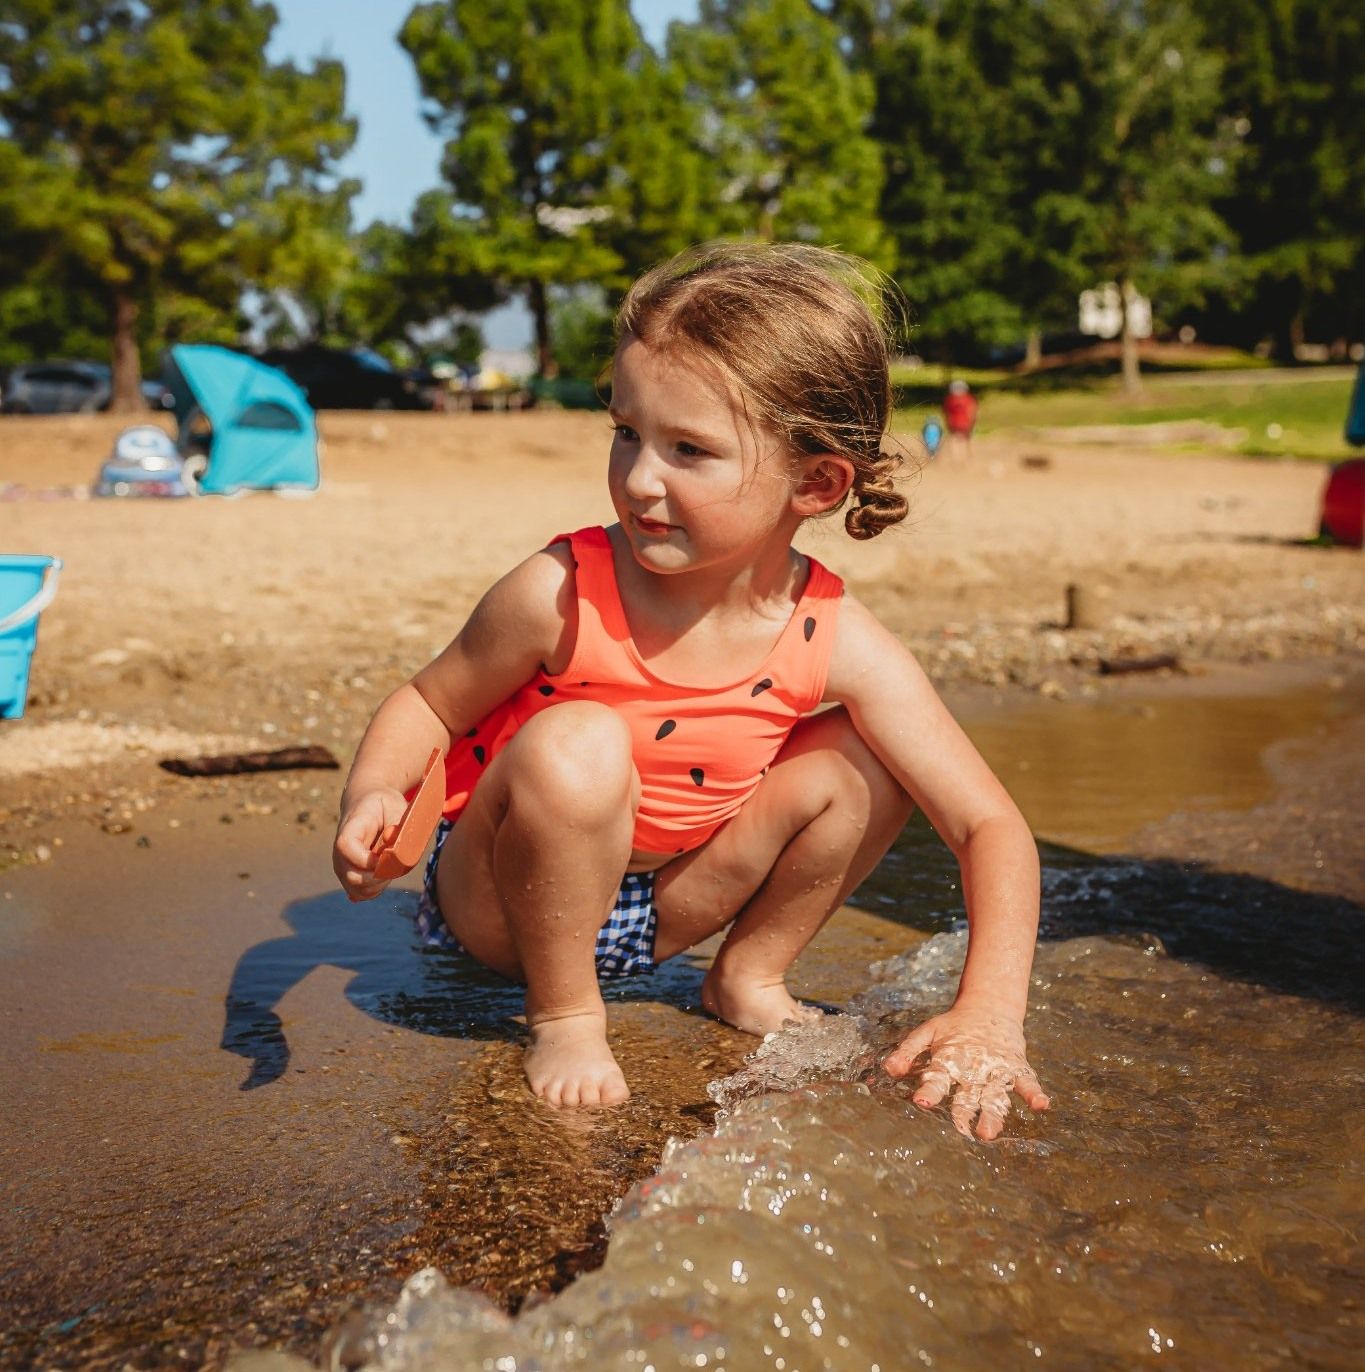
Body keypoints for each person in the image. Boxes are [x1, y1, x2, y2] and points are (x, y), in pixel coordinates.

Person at [332, 243, 1049, 1138]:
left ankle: (748, 974)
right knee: (581, 738)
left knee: (873, 758)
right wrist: (374, 794)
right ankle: (565, 1013)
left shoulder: (830, 631)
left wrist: (989, 1014)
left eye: (688, 450)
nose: (638, 478)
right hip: (498, 905)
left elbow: (988, 825)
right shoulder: (561, 590)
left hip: (660, 909)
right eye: (625, 433)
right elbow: (430, 706)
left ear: (816, 481)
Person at [942, 378, 979, 460]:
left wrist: (947, 422)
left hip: (954, 423)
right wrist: (972, 422)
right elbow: (973, 411)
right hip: (966, 423)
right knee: (965, 440)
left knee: (955, 440)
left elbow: (946, 412)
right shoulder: (968, 399)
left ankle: (956, 458)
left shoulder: (950, 399)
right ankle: (965, 457)